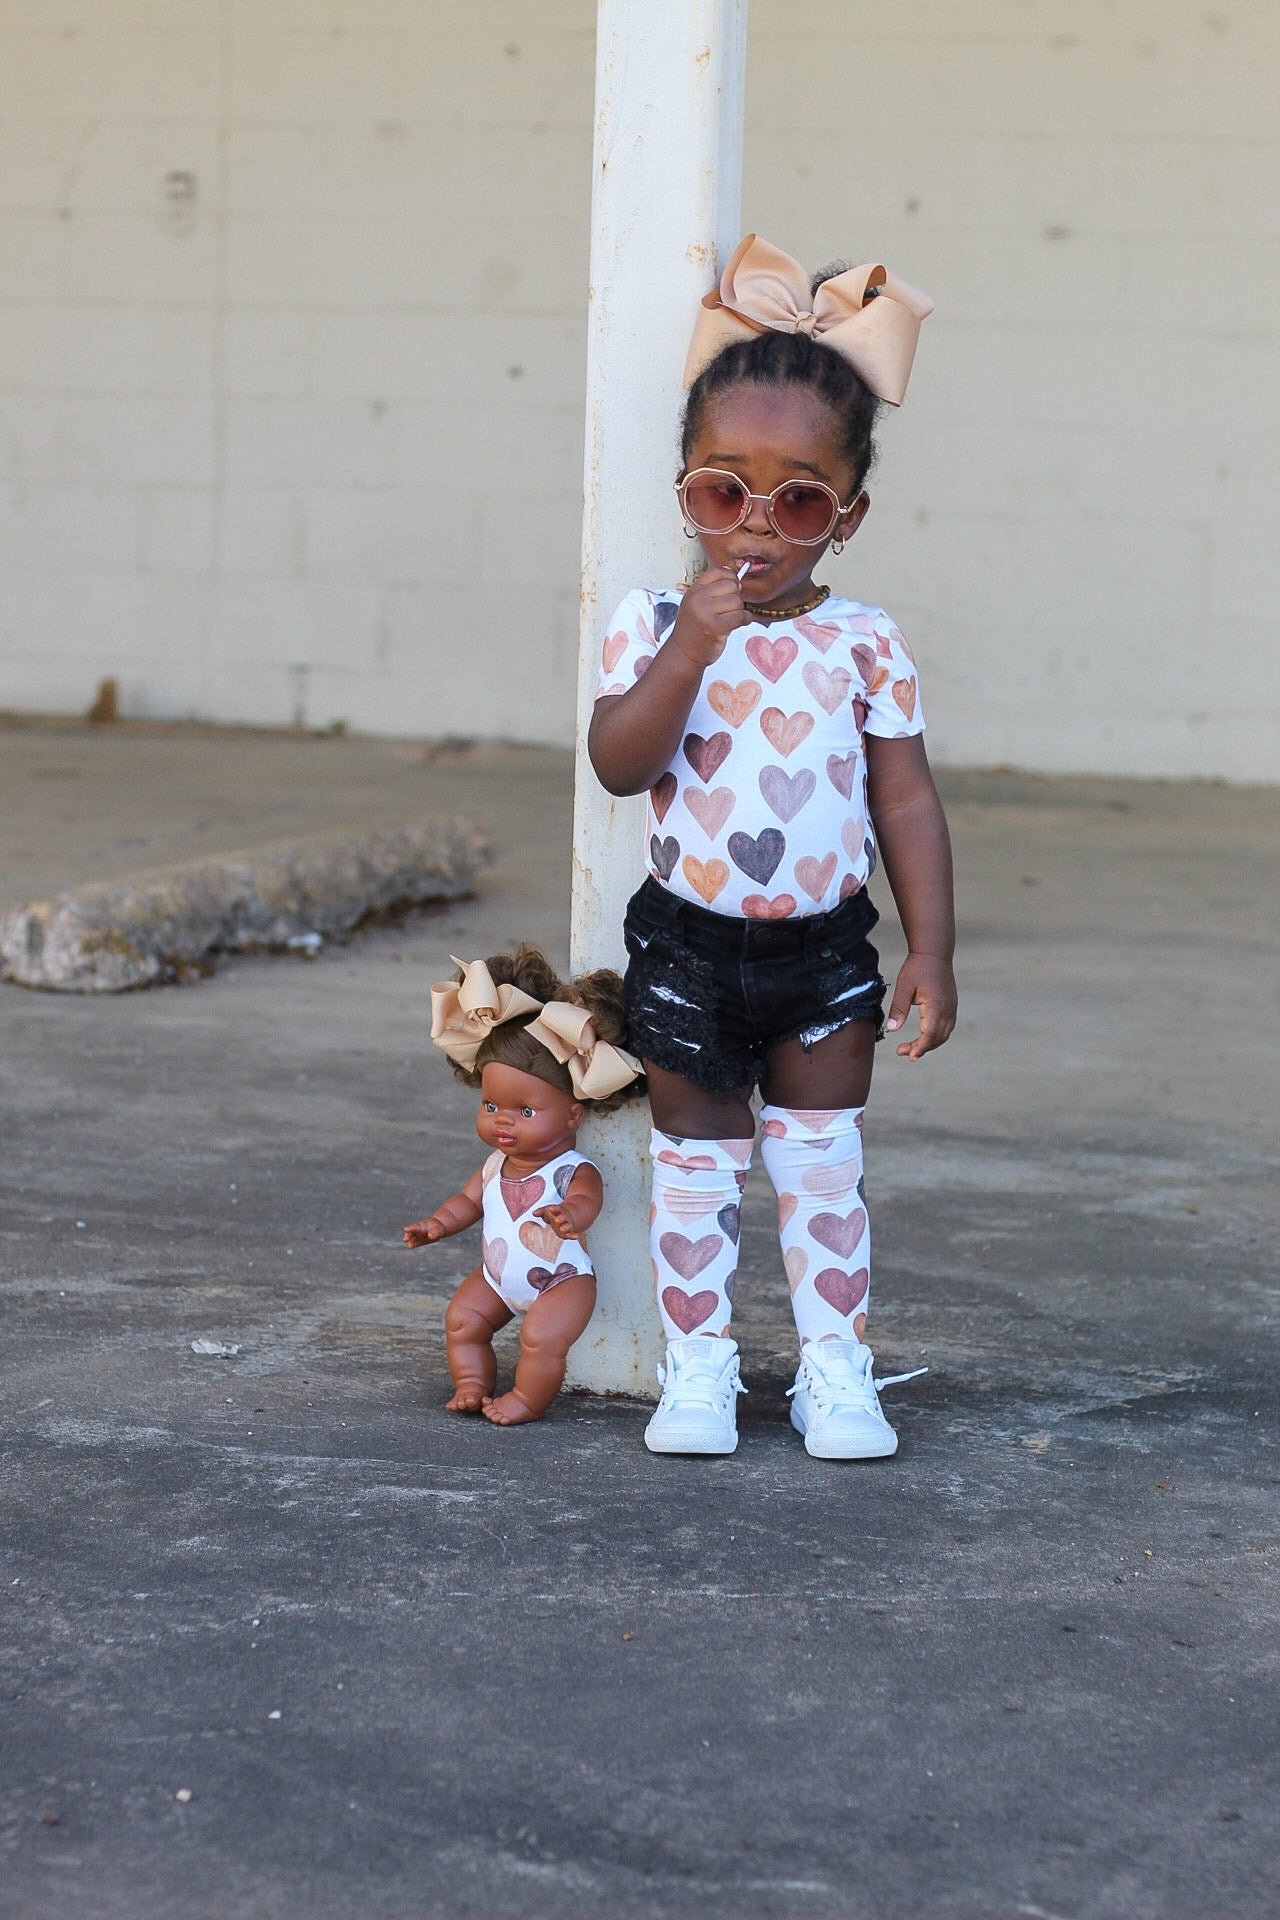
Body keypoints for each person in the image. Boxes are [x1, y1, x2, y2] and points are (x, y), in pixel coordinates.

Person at [588, 234, 957, 1461]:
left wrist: (930, 950)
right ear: (682, 493)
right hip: (687, 949)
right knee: (695, 1168)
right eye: (721, 492)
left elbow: (905, 802)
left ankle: (832, 1372)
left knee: (820, 1168)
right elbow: (619, 762)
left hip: (823, 953)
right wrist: (689, 650)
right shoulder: (651, 622)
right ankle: (697, 1369)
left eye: (796, 498)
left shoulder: (864, 641)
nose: (755, 523)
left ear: (844, 517)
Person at [403, 947, 643, 1426]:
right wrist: (437, 1225)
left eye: (525, 1111)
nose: (503, 1121)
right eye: (491, 1106)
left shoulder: (570, 1169)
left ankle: (527, 1401)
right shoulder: (496, 1165)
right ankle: (472, 1384)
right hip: (498, 1277)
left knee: (541, 1339)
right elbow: (467, 1201)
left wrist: (570, 1215)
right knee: (463, 1320)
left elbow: (587, 1200)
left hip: (562, 1281)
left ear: (573, 1115)